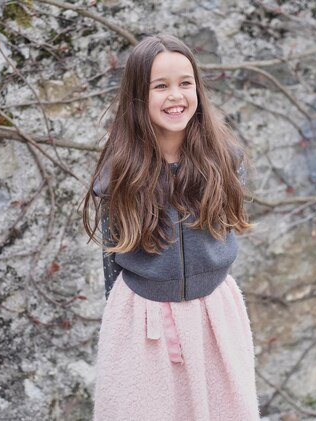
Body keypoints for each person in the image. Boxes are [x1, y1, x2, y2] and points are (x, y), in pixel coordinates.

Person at [81, 34, 260, 421]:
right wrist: (120, 324)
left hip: (213, 315)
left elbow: (226, 231)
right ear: (137, 96)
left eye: (185, 83)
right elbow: (112, 255)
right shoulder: (121, 171)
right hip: (142, 320)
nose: (175, 96)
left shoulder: (223, 159)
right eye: (160, 86)